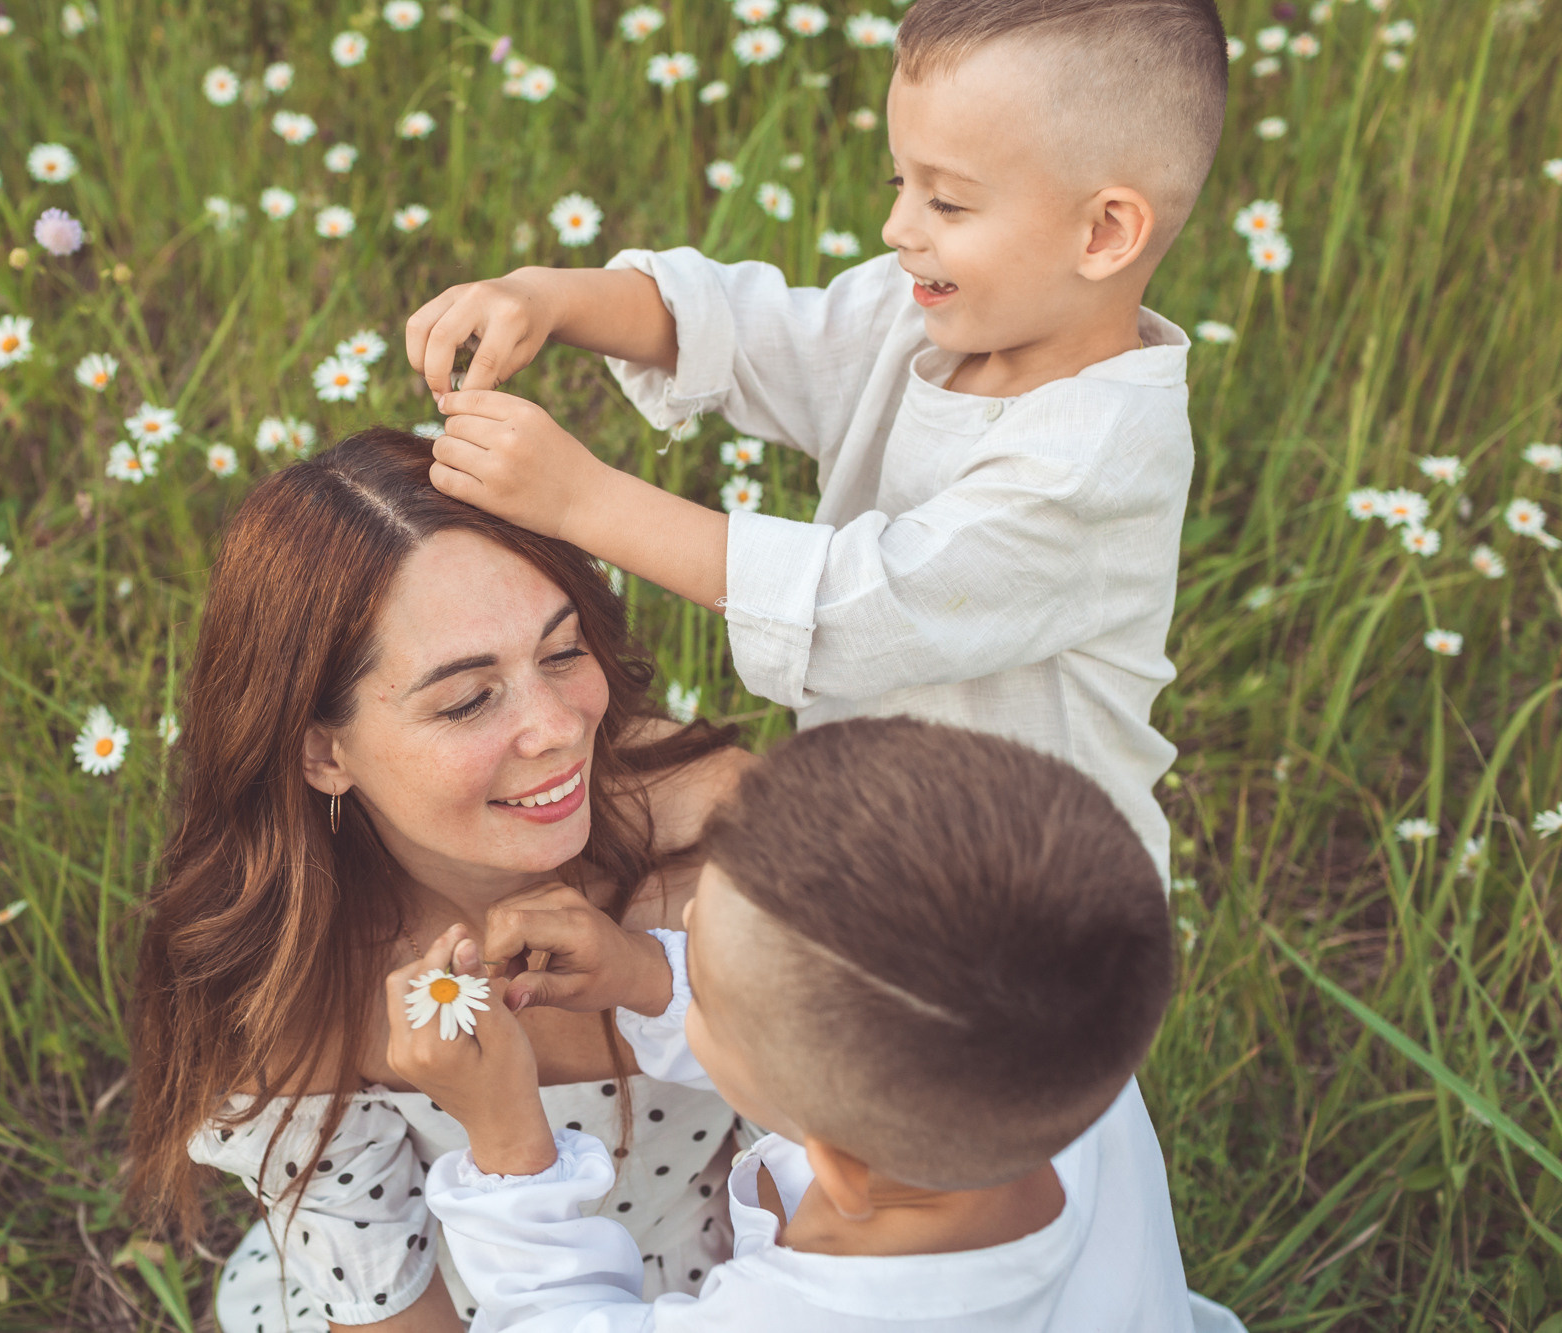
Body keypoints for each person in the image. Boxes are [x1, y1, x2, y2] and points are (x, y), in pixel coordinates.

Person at [404, 0, 1230, 883]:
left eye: (946, 199)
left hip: (1026, 902)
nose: (900, 229)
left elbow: (860, 609)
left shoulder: (1094, 456)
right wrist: (553, 297)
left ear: (1104, 232)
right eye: (898, 185)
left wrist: (583, 500)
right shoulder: (927, 315)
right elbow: (751, 331)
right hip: (876, 835)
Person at [124, 429, 754, 1332]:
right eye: (466, 700)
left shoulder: (718, 848)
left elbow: (862, 1186)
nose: (557, 729)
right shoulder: (300, 982)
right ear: (322, 751)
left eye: (564, 651)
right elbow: (388, 1310)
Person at [383, 717, 1247, 1331]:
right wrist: (646, 977)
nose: (672, 941)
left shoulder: (794, 1316)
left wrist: (506, 1144)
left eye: (701, 978)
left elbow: (556, 1318)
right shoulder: (1054, 1035)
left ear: (829, 1162)